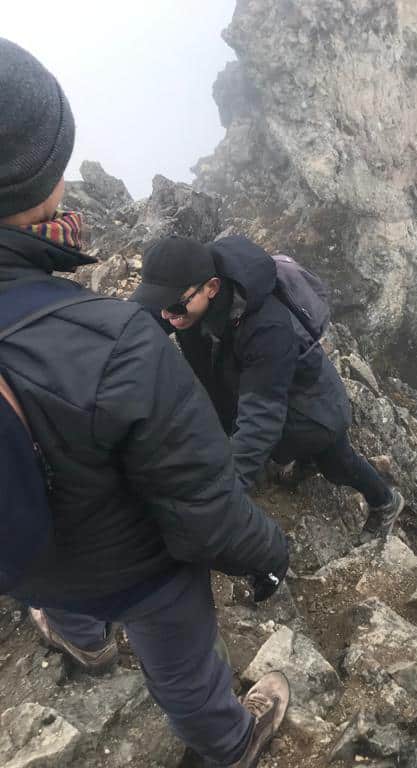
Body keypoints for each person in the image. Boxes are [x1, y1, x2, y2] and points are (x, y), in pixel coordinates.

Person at [0, 38, 289, 767]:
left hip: (21, 560)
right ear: (49, 179)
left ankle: (81, 639)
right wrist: (268, 555)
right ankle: (229, 741)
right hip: (137, 572)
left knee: (56, 574)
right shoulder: (113, 342)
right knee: (184, 664)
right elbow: (205, 509)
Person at [131, 235, 404, 544]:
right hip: (264, 387)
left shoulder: (266, 327)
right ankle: (305, 461)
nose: (167, 316)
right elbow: (144, 318)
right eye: (160, 304)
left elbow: (260, 420)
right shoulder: (187, 298)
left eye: (174, 306)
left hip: (313, 408)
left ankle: (385, 501)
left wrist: (218, 495)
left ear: (212, 288)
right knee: (276, 442)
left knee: (337, 462)